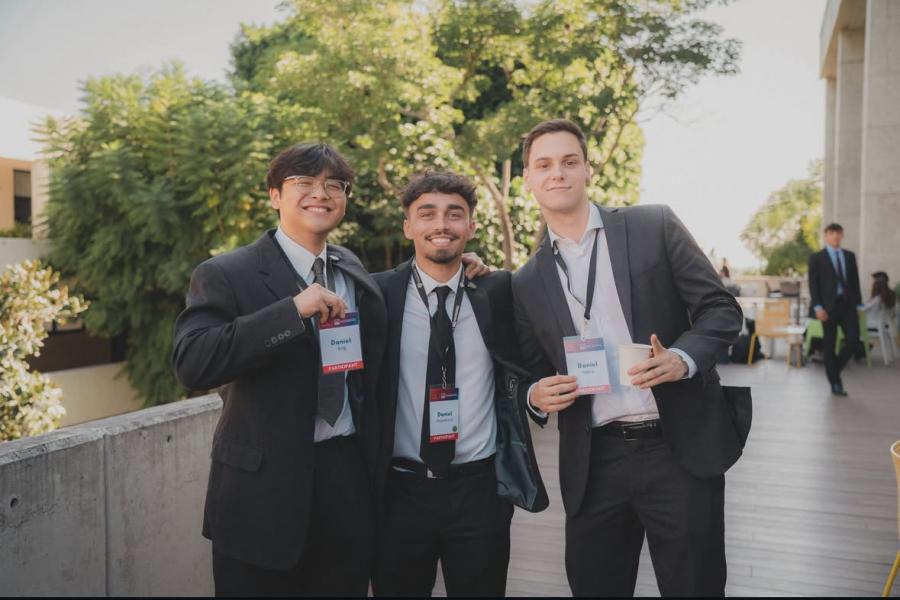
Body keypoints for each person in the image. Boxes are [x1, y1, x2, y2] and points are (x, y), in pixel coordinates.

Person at [171, 144, 489, 596]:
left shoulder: (350, 268)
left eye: (333, 185)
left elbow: (408, 289)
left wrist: (464, 268)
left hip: (347, 481)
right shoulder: (226, 272)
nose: (319, 193)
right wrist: (289, 312)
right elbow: (193, 362)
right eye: (303, 183)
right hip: (263, 491)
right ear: (275, 195)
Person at [511, 119, 747, 597]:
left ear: (588, 170)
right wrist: (536, 394)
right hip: (594, 461)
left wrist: (683, 357)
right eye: (544, 165)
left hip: (677, 448)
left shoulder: (651, 225)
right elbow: (529, 369)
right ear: (528, 180)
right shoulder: (526, 281)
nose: (557, 173)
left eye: (569, 162)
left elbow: (721, 309)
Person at [372, 171, 547, 597]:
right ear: (408, 226)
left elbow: (527, 365)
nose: (441, 225)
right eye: (426, 214)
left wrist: (533, 396)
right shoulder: (377, 294)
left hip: (480, 492)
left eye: (455, 214)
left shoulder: (499, 290)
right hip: (397, 492)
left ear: (470, 226)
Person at [807, 222, 863, 396]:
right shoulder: (817, 258)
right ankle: (835, 384)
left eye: (838, 233)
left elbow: (855, 282)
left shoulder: (849, 256)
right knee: (829, 346)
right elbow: (813, 284)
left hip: (847, 306)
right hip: (827, 308)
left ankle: (835, 367)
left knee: (854, 341)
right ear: (825, 235)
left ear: (842, 234)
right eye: (832, 233)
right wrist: (818, 307)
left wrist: (859, 305)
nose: (835, 236)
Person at [862, 271, 897, 363]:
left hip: (871, 324)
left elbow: (864, 309)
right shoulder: (891, 295)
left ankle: (858, 352)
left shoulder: (877, 299)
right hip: (883, 324)